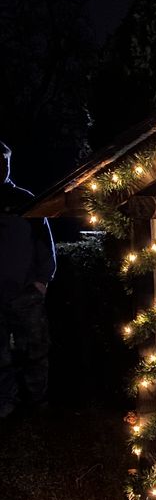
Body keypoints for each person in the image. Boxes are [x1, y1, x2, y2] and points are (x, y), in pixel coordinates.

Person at [0, 142, 56, 419]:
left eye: (3, 161)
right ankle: (5, 405)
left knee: (35, 350)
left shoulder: (26, 200)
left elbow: (45, 244)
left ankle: (37, 406)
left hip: (25, 292)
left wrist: (42, 280)